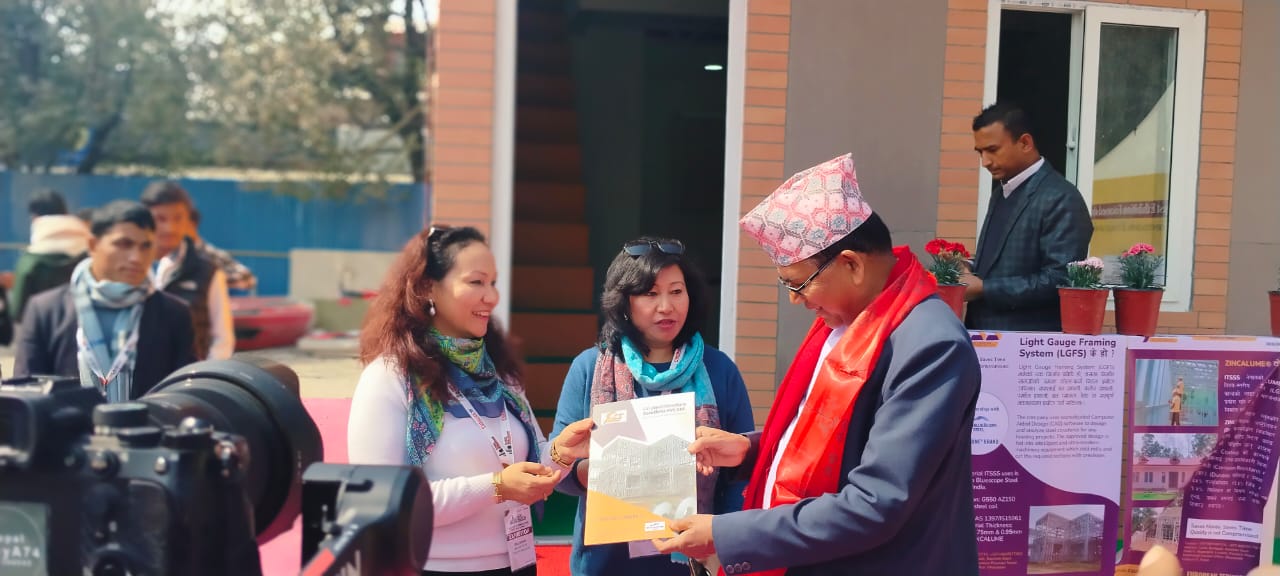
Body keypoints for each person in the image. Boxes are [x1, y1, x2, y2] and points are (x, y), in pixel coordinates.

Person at [653, 154, 982, 575]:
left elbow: (876, 502)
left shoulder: (930, 345)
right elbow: (832, 439)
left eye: (799, 284)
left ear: (852, 264)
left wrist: (725, 533)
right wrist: (752, 451)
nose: (796, 300)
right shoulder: (845, 323)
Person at [347, 225, 594, 576]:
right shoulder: (390, 376)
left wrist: (560, 453)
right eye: (476, 282)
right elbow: (384, 498)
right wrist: (496, 487)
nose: (491, 297)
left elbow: (530, 465)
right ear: (427, 287)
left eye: (493, 283)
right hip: (432, 567)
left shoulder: (499, 374)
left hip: (516, 563)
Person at [551, 237, 755, 576]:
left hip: (696, 561)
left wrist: (726, 545)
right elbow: (559, 470)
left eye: (676, 292)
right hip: (606, 563)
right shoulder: (589, 368)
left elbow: (743, 471)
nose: (666, 306)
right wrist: (598, 470)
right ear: (624, 301)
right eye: (650, 293)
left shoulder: (720, 370)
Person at [13, 200, 197, 401]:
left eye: (146, 246)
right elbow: (26, 395)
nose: (136, 257)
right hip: (66, 422)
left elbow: (184, 395)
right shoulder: (46, 311)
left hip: (147, 421)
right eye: (124, 244)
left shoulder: (174, 314)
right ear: (93, 245)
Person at [962, 101, 1093, 332]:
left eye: (992, 150)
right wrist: (968, 266)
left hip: (1029, 345)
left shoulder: (1061, 198)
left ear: (1025, 143)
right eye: (980, 152)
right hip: (986, 338)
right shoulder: (1002, 192)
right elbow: (1008, 261)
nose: (985, 162)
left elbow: (1061, 279)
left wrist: (984, 288)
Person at [140, 181, 235, 360]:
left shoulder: (207, 272)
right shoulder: (131, 268)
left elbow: (221, 339)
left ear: (188, 220)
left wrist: (205, 373)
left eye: (178, 218)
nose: (170, 228)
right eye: (160, 219)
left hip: (190, 373)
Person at [9, 188, 91, 327]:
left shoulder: (29, 262)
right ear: (66, 212)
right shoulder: (92, 255)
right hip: (87, 330)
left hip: (41, 332)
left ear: (34, 218)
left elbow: (17, 312)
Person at [189, 207, 258, 296]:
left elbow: (248, 278)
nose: (172, 228)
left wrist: (215, 280)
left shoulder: (209, 254)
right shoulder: (173, 255)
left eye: (178, 220)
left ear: (192, 224)